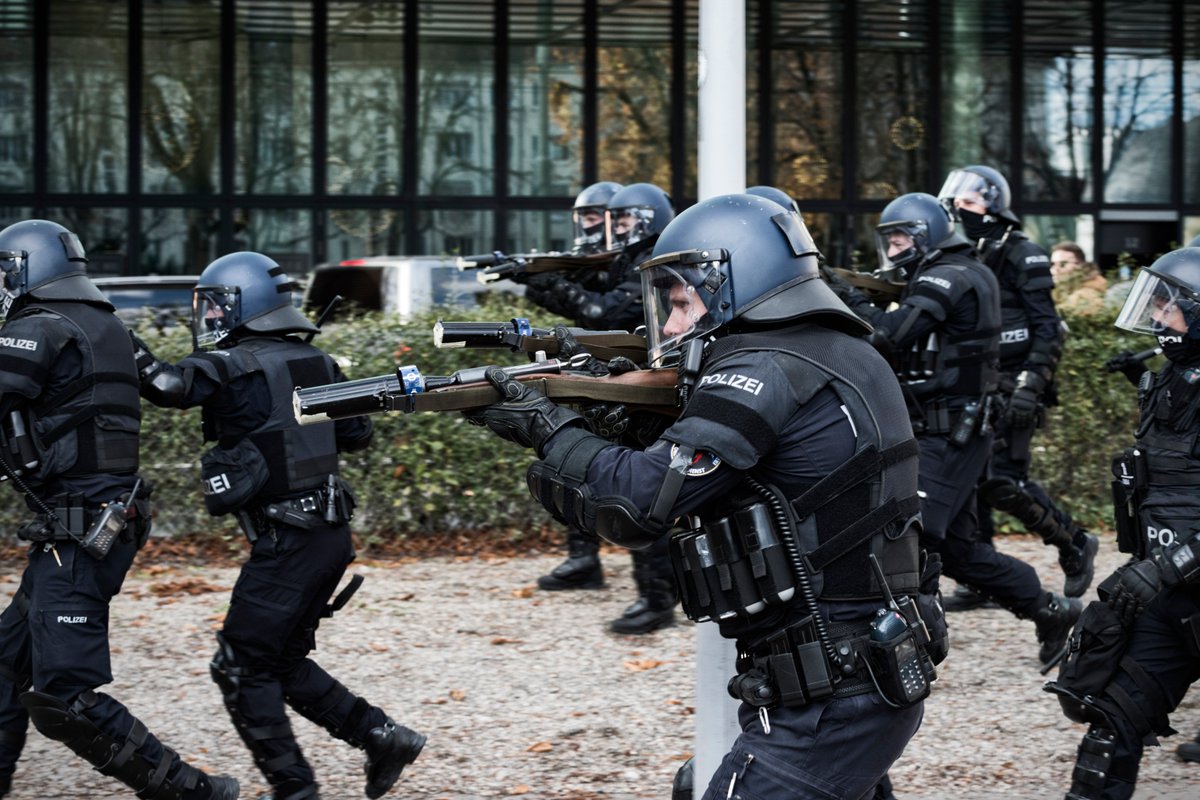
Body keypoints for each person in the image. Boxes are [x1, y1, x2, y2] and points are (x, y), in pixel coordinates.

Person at [465, 193, 942, 798]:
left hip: (826, 697)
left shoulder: (764, 368)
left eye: (681, 302)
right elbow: (762, 471)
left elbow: (635, 504)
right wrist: (614, 418)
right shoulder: (833, 350)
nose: (667, 325)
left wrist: (548, 430)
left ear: (734, 284)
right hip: (855, 676)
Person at [130, 252, 424, 800]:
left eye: (218, 307)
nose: (211, 319)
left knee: (240, 665)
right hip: (328, 537)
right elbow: (357, 436)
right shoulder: (318, 361)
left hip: (289, 541)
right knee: (279, 660)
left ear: (245, 305)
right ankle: (382, 736)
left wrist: (122, 341)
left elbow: (168, 385)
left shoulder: (230, 364)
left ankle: (295, 790)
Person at [0, 220, 239, 799]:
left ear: (27, 270)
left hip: (80, 530)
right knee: (6, 664)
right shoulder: (110, 326)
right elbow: (168, 387)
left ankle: (191, 792)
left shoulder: (36, 330)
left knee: (63, 697)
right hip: (97, 520)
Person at [830, 192, 1082, 668]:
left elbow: (888, 335)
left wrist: (839, 290)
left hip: (953, 432)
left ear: (927, 232)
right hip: (946, 428)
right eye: (889, 240)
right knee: (962, 551)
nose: (894, 248)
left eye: (901, 236)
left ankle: (915, 642)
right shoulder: (947, 271)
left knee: (913, 532)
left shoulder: (952, 273)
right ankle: (1050, 611)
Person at [1046, 247, 1200, 798]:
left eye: (1171, 309)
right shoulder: (1172, 381)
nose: (1158, 319)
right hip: (1172, 596)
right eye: (1155, 306)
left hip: (1173, 578)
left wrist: (1166, 569)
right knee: (1111, 727)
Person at [938, 165, 1098, 602]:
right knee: (969, 480)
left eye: (968, 203)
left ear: (994, 207)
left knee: (1003, 481)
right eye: (955, 203)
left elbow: (1050, 329)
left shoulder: (1023, 253)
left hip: (1016, 383)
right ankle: (979, 577)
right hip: (977, 383)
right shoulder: (964, 254)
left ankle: (1074, 542)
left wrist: (1030, 386)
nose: (958, 210)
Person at [526, 182, 680, 635]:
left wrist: (553, 281)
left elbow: (601, 313)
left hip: (650, 382)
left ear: (648, 219)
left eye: (627, 220)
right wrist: (540, 282)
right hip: (624, 377)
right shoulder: (626, 260)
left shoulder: (656, 259)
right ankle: (590, 561)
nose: (618, 229)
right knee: (592, 468)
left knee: (644, 488)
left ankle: (658, 597)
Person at [1050, 241, 1108, 317]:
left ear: (1080, 265)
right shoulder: (1059, 288)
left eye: (1062, 264)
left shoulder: (1090, 289)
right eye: (1052, 264)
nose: (1055, 269)